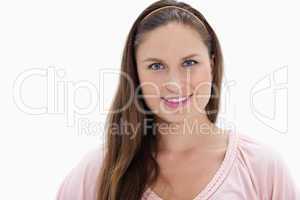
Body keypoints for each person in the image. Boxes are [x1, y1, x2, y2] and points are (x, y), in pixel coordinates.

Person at [56, 0, 300, 199]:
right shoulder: (98, 172)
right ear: (136, 73)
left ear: (212, 64)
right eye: (156, 65)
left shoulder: (262, 168)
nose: (174, 83)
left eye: (189, 63)